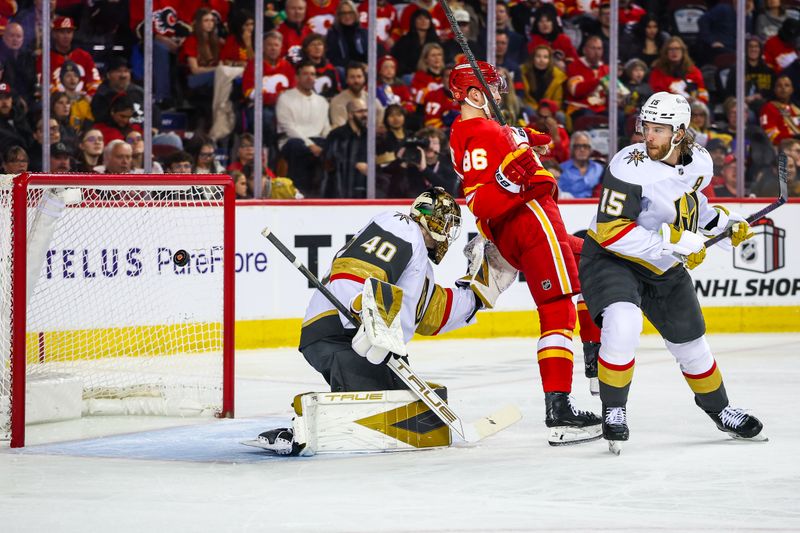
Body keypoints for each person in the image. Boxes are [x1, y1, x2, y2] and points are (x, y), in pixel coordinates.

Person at [254, 187, 514, 454]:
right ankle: (296, 433)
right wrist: (361, 306)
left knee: (417, 417)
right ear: (438, 223)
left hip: (372, 344)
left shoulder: (419, 267)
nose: (448, 234)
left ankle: (321, 422)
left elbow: (432, 314)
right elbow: (354, 268)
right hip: (338, 334)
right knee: (370, 417)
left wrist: (479, 294)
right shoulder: (400, 226)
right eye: (449, 225)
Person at [578, 91, 766, 452]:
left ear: (679, 133)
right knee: (623, 324)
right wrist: (672, 242)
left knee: (692, 344)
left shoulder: (699, 163)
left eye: (658, 129)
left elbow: (690, 204)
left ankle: (721, 409)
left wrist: (723, 224)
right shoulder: (626, 166)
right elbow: (609, 231)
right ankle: (614, 410)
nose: (648, 136)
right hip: (612, 259)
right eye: (646, 126)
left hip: (662, 266)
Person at [448, 60, 602, 445]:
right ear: (474, 94)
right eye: (494, 89)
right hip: (534, 224)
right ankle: (560, 410)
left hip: (520, 231)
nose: (500, 94)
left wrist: (524, 138)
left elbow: (518, 143)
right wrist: (510, 179)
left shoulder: (465, 131)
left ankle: (594, 355)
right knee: (558, 310)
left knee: (592, 258)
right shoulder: (486, 131)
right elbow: (481, 201)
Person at [276, 60, 331, 196]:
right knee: (298, 146)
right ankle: (300, 192)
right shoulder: (285, 98)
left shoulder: (322, 101)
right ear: (297, 77)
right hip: (292, 141)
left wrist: (331, 144)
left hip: (317, 141)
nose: (309, 77)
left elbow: (326, 128)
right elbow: (288, 127)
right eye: (305, 74)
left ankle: (325, 194)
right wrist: (310, 144)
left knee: (333, 148)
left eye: (312, 74)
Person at [559, 131, 603, 198]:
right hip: (568, 206)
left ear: (590, 149)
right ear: (572, 149)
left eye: (585, 146)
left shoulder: (599, 169)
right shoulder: (561, 169)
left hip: (593, 206)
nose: (582, 149)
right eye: (578, 146)